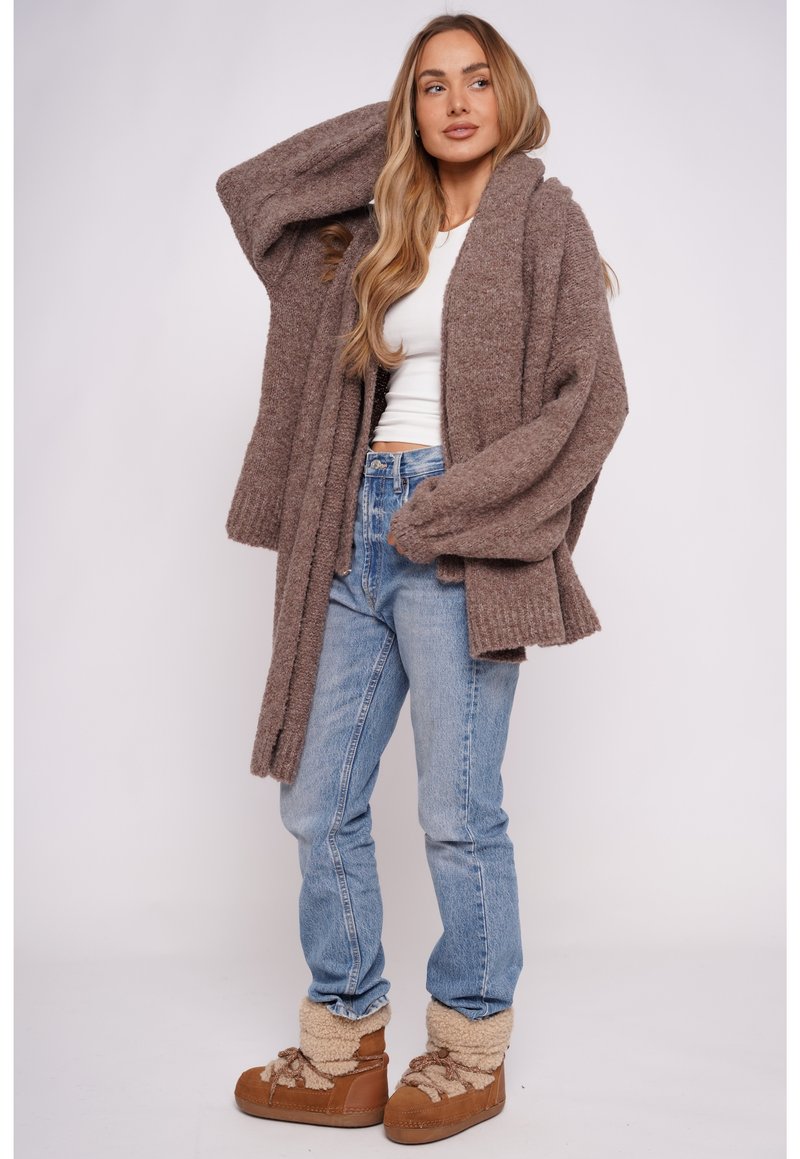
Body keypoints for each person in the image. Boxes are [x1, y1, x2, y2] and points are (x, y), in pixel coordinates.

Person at [215, 12, 629, 1146]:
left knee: (456, 813)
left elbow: (591, 400)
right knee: (316, 799)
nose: (456, 103)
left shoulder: (542, 218)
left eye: (476, 82)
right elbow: (255, 194)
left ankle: (467, 1045)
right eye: (431, 86)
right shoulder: (372, 226)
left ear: (510, 96)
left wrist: (459, 502)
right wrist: (389, 134)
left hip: (460, 537)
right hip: (348, 528)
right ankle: (345, 1046)